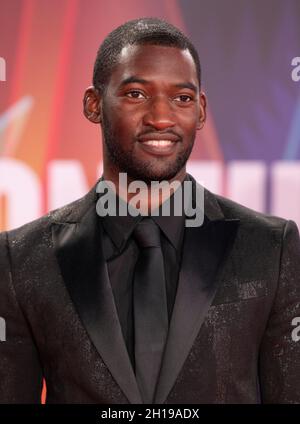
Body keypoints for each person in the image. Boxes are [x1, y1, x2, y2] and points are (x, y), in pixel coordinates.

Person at [0, 17, 300, 404]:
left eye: (182, 98)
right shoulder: (21, 258)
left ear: (202, 110)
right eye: (137, 94)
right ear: (94, 104)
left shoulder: (270, 249)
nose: (161, 118)